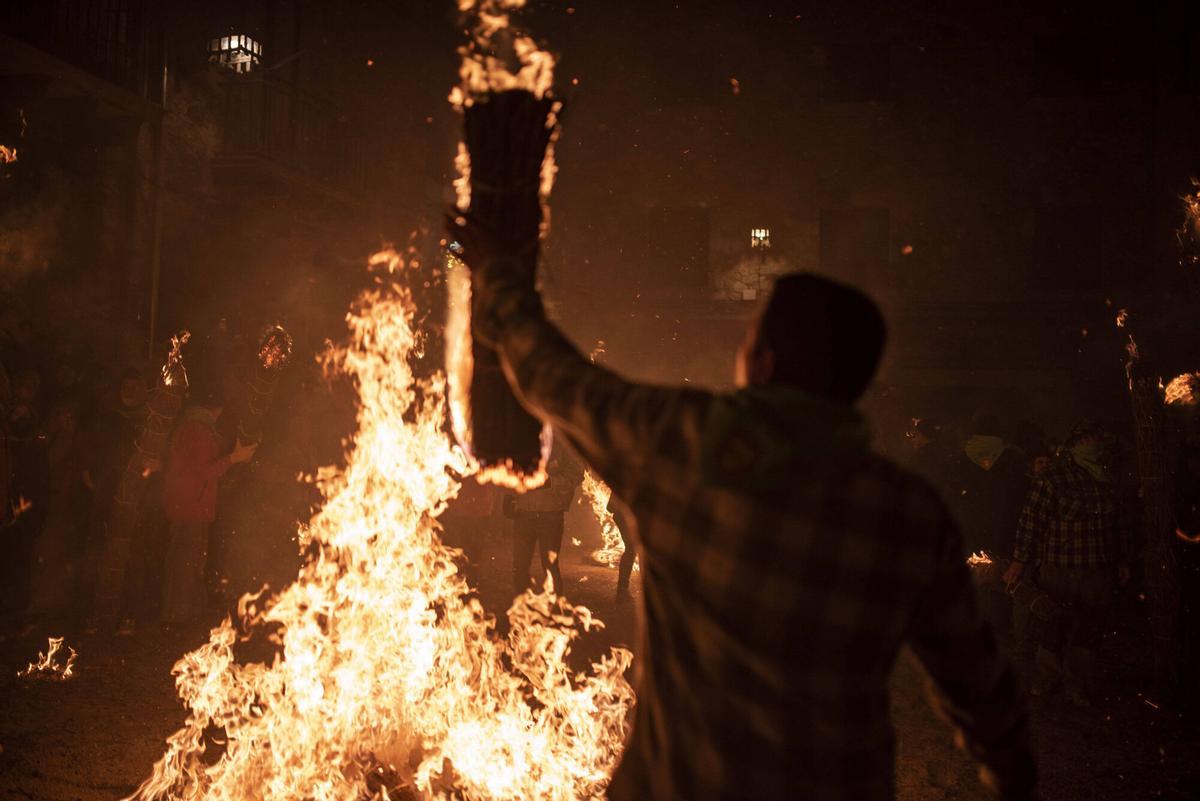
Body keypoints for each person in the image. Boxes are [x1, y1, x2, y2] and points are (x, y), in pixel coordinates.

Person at [450, 215, 1036, 801]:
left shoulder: (685, 441)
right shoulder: (908, 512)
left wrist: (499, 275)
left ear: (764, 362)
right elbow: (979, 687)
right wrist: (1015, 779)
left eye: (750, 334)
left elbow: (555, 376)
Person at [1004, 425, 1131, 705]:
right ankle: (1048, 675)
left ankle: (1078, 682)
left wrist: (1121, 558)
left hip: (1098, 567)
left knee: (1090, 626)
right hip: (1061, 567)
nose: (1091, 443)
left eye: (1094, 438)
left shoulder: (1107, 478)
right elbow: (1031, 521)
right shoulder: (1054, 477)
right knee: (1056, 622)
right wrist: (1019, 560)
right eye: (1084, 439)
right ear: (1072, 445)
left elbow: (1117, 523)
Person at [160, 397, 257, 625]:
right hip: (191, 506)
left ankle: (178, 614)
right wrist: (235, 458)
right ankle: (179, 618)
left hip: (186, 505)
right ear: (215, 408)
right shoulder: (199, 430)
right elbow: (202, 471)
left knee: (183, 560)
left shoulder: (191, 427)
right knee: (187, 563)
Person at [507, 442, 582, 595]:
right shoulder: (523, 435)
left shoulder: (562, 440)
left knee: (550, 565)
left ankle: (555, 611)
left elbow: (577, 473)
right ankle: (521, 612)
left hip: (550, 513)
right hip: (524, 513)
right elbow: (508, 468)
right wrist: (508, 494)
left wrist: (552, 482)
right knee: (519, 566)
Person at [608, 494, 637, 602]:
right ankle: (622, 592)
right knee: (631, 549)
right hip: (623, 515)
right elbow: (610, 507)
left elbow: (610, 507)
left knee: (632, 549)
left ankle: (622, 591)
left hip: (623, 514)